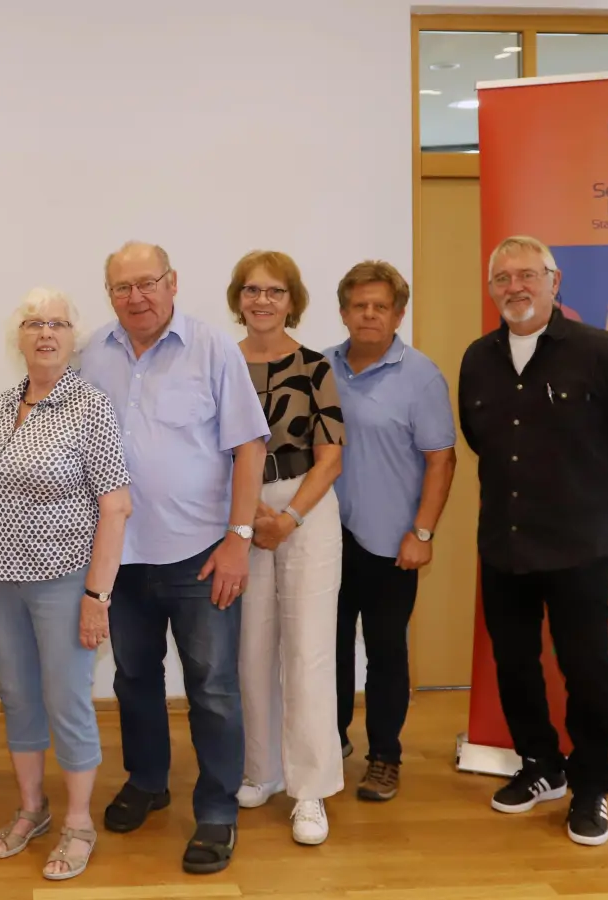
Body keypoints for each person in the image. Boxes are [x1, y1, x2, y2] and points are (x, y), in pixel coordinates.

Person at [459, 235, 608, 847]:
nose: (514, 288)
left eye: (527, 275)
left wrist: (596, 477)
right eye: (502, 278)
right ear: (492, 287)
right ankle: (540, 766)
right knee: (515, 662)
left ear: (555, 281)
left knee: (586, 668)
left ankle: (591, 786)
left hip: (578, 542)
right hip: (504, 540)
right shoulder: (478, 357)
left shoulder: (601, 352)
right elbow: (479, 436)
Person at [77, 241, 270, 875]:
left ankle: (217, 811)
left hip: (201, 556)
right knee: (133, 679)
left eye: (147, 283)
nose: (136, 297)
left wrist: (239, 537)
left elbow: (248, 447)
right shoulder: (90, 357)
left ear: (173, 283)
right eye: (121, 287)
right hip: (120, 559)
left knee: (212, 688)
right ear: (109, 295)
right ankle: (148, 780)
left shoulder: (212, 349)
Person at [0, 288, 132, 881]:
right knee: (18, 696)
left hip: (64, 581)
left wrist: (96, 596)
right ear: (19, 336)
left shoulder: (91, 407)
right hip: (0, 580)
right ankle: (32, 809)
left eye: (57, 324)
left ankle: (78, 821)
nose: (44, 333)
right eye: (33, 323)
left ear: (72, 337)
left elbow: (115, 507)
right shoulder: (1, 402)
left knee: (67, 700)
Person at [225, 251, 346, 846]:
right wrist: (248, 514)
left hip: (307, 509)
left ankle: (310, 790)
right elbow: (209, 449)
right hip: (239, 509)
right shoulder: (222, 364)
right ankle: (262, 771)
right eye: (251, 290)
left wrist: (290, 517)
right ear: (238, 299)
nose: (262, 300)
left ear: (292, 300)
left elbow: (332, 456)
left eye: (274, 291)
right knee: (250, 649)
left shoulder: (316, 365)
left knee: (307, 652)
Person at [328, 260, 456, 804]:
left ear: (398, 313)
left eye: (381, 306)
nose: (370, 314)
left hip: (391, 544)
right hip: (326, 542)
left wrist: (421, 534)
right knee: (327, 652)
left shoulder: (420, 375)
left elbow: (442, 459)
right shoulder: (320, 368)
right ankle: (330, 745)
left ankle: (385, 757)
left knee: (385, 654)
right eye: (360, 305)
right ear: (344, 312)